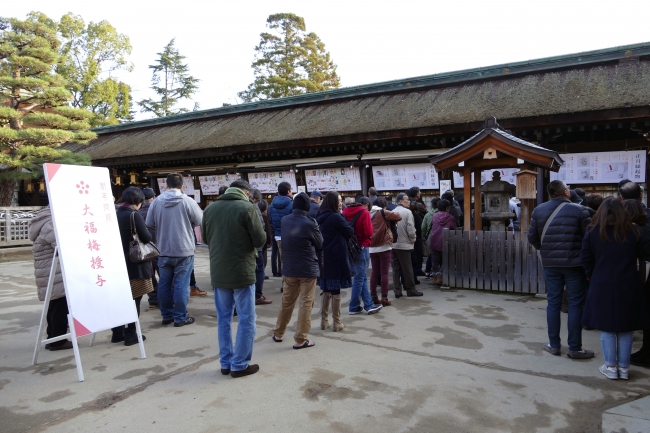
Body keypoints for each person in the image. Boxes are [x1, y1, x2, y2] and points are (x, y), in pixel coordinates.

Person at [202, 179, 267, 378]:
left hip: (219, 271)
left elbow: (205, 238)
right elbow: (260, 240)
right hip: (242, 271)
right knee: (247, 319)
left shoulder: (210, 209)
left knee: (224, 319)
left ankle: (225, 363)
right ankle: (239, 364)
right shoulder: (247, 208)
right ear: (246, 193)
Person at [581, 198, 650, 379]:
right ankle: (624, 368)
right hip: (629, 282)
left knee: (607, 328)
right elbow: (642, 255)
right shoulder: (633, 232)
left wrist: (592, 275)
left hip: (601, 282)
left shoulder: (593, 231)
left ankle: (611, 367)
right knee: (626, 328)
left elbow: (586, 258)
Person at [528, 180, 594, 359]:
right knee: (574, 304)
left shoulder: (538, 210)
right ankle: (575, 348)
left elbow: (532, 237)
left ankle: (554, 345)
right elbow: (588, 239)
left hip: (550, 264)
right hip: (574, 264)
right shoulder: (580, 211)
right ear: (565, 192)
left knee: (553, 303)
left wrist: (545, 250)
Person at [146, 173, 203, 327]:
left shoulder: (156, 202)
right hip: (184, 249)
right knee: (181, 284)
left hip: (163, 248)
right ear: (182, 186)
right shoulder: (187, 201)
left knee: (164, 283)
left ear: (166, 186)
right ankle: (180, 317)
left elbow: (149, 223)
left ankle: (167, 315)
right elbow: (199, 220)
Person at [272, 193, 323, 348]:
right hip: (307, 268)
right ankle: (300, 339)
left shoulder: (285, 220)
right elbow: (320, 243)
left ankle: (278, 333)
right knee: (306, 302)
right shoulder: (310, 223)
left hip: (289, 268)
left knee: (287, 302)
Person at [112, 187, 154, 346]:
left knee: (121, 299)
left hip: (117, 264)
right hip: (134, 263)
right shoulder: (133, 215)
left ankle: (117, 332)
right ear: (138, 201)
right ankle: (131, 334)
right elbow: (146, 237)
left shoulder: (114, 214)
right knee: (135, 298)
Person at [29, 207, 71, 351]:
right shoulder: (50, 224)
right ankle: (57, 341)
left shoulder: (43, 221)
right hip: (53, 270)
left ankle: (52, 338)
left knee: (54, 305)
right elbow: (62, 246)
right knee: (60, 305)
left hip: (48, 271)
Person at [316, 191, 355, 331]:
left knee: (326, 288)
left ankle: (324, 321)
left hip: (324, 257)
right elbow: (350, 232)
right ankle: (337, 322)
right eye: (339, 200)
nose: (341, 202)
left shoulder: (321, 215)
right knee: (335, 290)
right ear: (333, 202)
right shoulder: (335, 217)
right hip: (336, 256)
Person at [343, 196, 382, 315]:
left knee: (362, 277)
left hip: (351, 246)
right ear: (366, 205)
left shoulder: (345, 211)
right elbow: (369, 232)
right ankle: (353, 306)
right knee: (359, 278)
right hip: (362, 246)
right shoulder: (364, 213)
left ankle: (368, 305)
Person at [369, 197, 402, 306]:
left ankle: (373, 296)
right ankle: (384, 297)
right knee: (384, 273)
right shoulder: (383, 212)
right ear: (384, 205)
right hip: (384, 246)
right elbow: (399, 216)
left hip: (371, 247)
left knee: (374, 273)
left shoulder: (369, 213)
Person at [391, 193, 422, 297]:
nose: (409, 201)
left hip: (393, 244)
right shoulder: (407, 212)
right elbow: (410, 229)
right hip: (404, 245)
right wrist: (413, 240)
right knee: (407, 268)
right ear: (400, 201)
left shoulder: (392, 212)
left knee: (396, 269)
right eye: (407, 200)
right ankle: (410, 290)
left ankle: (397, 291)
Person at [268, 182, 293, 290]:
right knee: (291, 260)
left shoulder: (271, 205)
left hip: (278, 235)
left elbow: (270, 221)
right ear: (288, 191)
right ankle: (289, 284)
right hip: (291, 236)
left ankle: (285, 284)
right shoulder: (292, 204)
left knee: (283, 260)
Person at [138, 187, 159, 307]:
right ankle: (165, 299)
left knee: (150, 275)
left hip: (144, 250)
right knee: (164, 275)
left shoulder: (137, 213)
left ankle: (153, 299)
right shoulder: (157, 211)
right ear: (153, 198)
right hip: (158, 248)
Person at [429, 199, 458, 285]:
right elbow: (454, 229)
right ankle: (440, 276)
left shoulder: (434, 216)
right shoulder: (451, 217)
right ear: (447, 208)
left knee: (435, 260)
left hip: (434, 240)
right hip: (445, 241)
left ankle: (434, 277)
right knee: (446, 260)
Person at [251, 189, 272, 305]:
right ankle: (257, 296)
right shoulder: (253, 207)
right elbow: (261, 228)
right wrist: (263, 242)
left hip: (237, 248)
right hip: (255, 247)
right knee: (259, 270)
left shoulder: (223, 207)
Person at [422, 197, 440, 279]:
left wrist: (425, 236)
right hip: (440, 238)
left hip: (430, 238)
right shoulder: (441, 214)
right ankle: (436, 272)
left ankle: (427, 271)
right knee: (439, 256)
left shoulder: (428, 215)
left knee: (431, 255)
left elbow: (423, 227)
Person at [410, 201, 425, 282]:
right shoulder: (416, 216)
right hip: (416, 240)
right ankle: (414, 278)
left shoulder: (406, 216)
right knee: (416, 260)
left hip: (408, 241)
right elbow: (419, 229)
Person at [259, 200, 272, 280]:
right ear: (266, 208)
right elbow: (267, 229)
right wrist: (269, 241)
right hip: (263, 240)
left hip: (258, 240)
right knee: (263, 259)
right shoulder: (264, 216)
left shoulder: (256, 214)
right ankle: (262, 274)